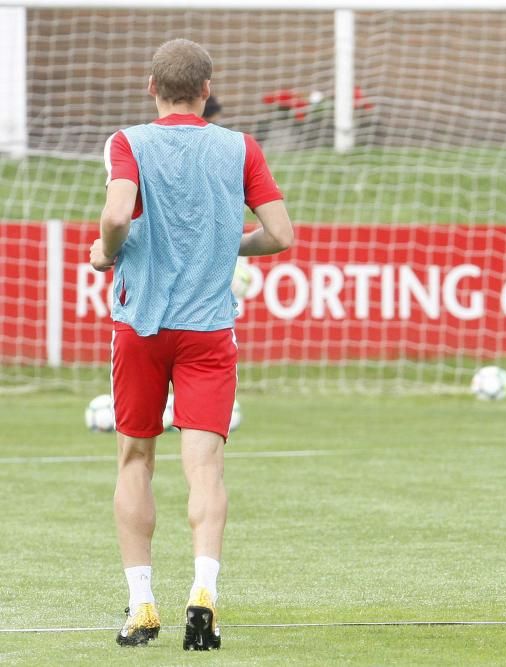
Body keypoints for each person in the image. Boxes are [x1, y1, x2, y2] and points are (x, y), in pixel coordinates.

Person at [90, 38, 293, 650]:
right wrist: (220, 245)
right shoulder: (239, 146)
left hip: (143, 326)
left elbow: (119, 214)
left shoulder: (128, 142)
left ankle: (143, 603)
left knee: (135, 460)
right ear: (208, 90)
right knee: (204, 467)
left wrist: (106, 250)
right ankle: (204, 591)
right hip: (207, 331)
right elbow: (280, 234)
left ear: (151, 86)